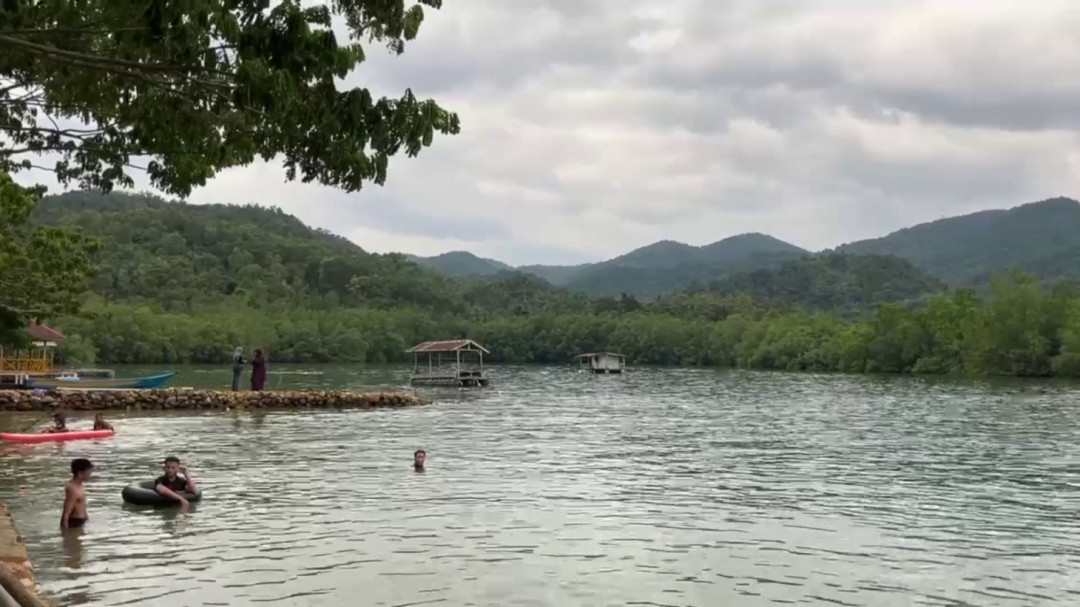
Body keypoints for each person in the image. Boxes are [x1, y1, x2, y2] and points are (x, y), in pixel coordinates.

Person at [61, 458, 93, 529]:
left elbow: (82, 506)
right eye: (88, 472)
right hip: (74, 523)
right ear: (80, 473)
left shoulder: (80, 486)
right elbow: (66, 513)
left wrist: (87, 519)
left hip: (81, 521)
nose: (90, 474)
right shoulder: (72, 489)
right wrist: (66, 533)